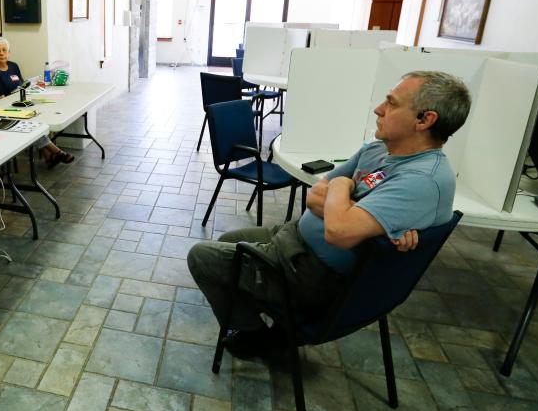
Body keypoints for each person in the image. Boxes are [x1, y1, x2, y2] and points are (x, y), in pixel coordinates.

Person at [187, 71, 471, 358]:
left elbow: (338, 231)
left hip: (309, 273)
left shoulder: (422, 181)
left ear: (424, 120)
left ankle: (261, 340)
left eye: (392, 103)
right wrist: (344, 205)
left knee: (202, 258)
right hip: (293, 241)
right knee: (227, 241)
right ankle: (272, 328)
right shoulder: (380, 150)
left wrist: (340, 185)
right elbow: (314, 196)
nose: (379, 109)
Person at [0, 37, 75, 167]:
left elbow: (21, 86)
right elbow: (0, 101)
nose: (1, 53)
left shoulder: (13, 66)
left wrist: (33, 88)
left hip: (17, 105)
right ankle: (56, 152)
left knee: (38, 115)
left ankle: (49, 156)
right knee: (30, 121)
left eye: (4, 50)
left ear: (9, 52)